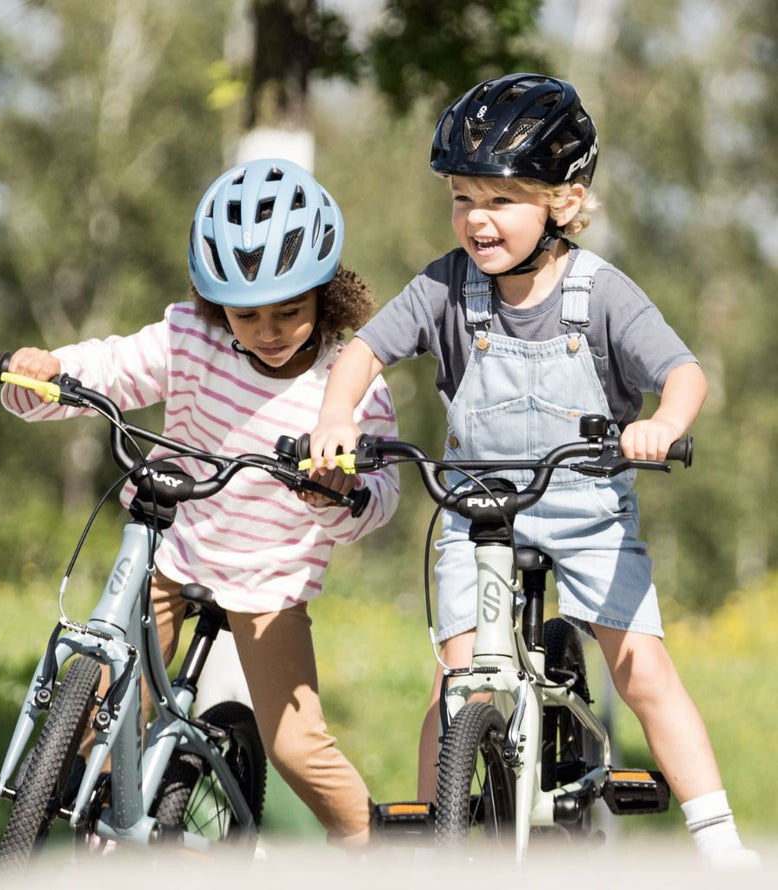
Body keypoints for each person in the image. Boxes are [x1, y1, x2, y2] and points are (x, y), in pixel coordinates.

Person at [310, 74, 759, 867]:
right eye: (461, 198)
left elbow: (684, 372)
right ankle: (439, 846)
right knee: (456, 685)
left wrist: (659, 425)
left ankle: (718, 839)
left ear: (563, 200)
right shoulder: (446, 286)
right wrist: (338, 415)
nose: (477, 220)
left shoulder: (601, 294)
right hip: (477, 508)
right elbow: (364, 350)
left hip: (586, 510)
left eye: (502, 200)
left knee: (642, 667)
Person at [1, 157, 400, 846]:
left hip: (269, 576)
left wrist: (341, 493)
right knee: (112, 695)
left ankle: (378, 850)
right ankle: (68, 818)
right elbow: (109, 370)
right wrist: (44, 376)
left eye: (291, 311)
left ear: (325, 295)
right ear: (214, 303)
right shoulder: (192, 339)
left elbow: (380, 495)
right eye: (246, 314)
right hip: (173, 540)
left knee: (296, 744)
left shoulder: (349, 381)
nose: (268, 330)